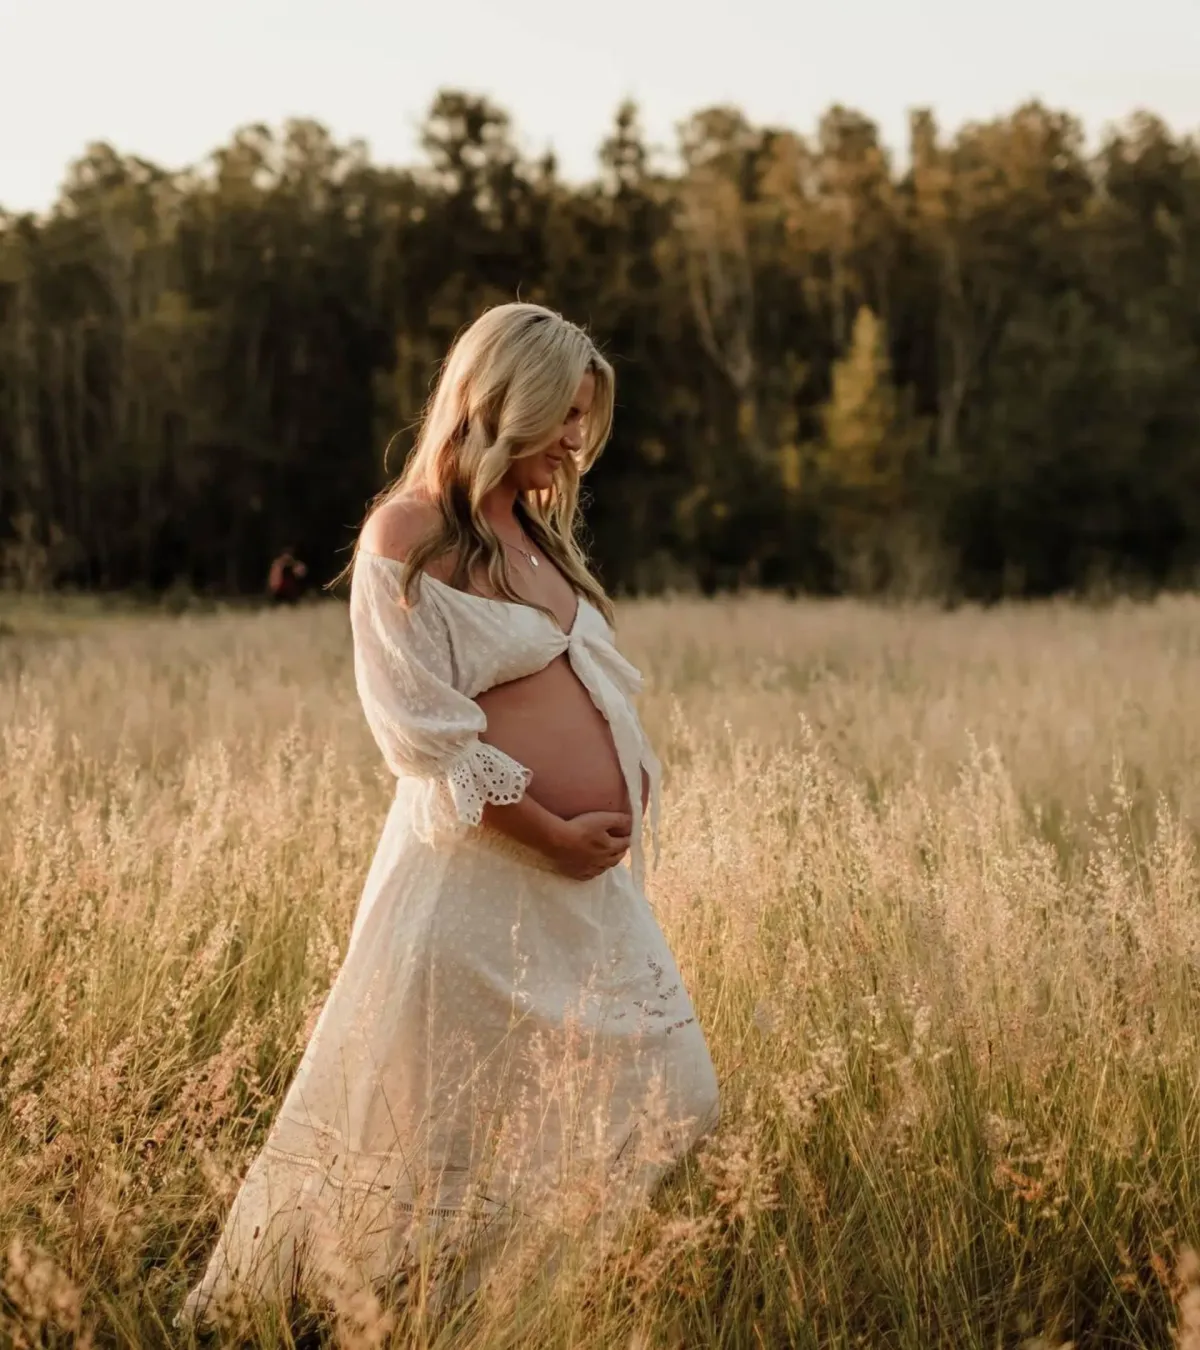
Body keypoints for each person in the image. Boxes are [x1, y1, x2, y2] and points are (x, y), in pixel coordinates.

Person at [179, 302, 719, 1325]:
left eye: (582, 421)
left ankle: (482, 1305)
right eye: (561, 415)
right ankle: (376, 1313)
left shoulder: (535, 532)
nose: (574, 441)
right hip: (476, 882)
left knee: (674, 1093)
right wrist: (554, 832)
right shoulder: (407, 535)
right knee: (430, 1131)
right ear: (496, 400)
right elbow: (422, 738)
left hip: (585, 893)